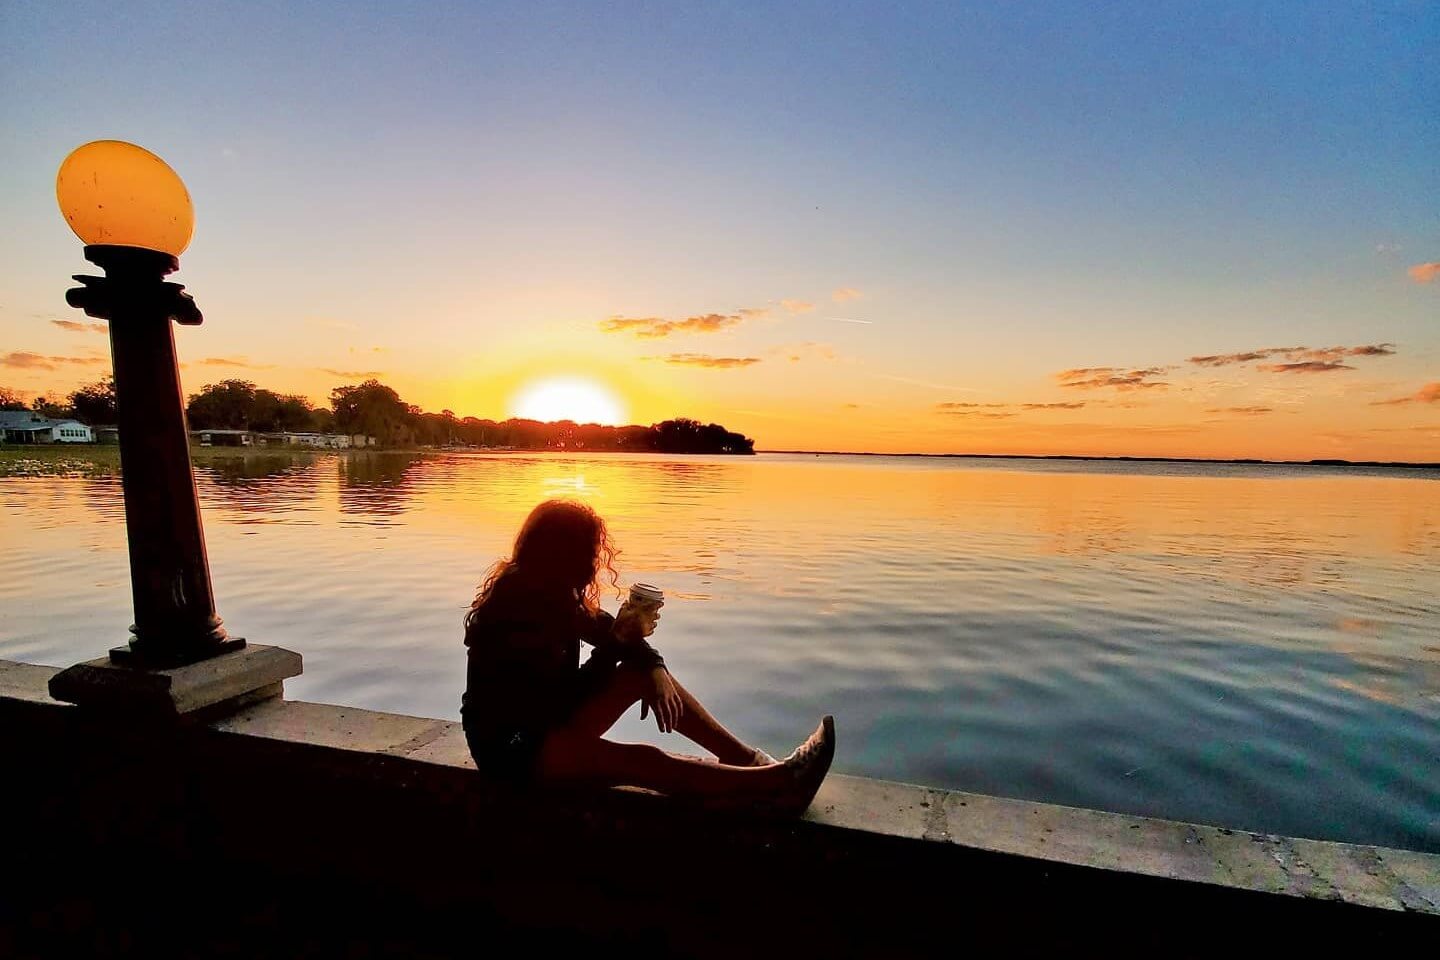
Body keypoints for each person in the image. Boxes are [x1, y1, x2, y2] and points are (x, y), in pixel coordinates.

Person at [462, 498, 835, 814]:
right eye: (590, 553)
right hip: (512, 748)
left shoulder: (560, 595)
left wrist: (654, 668)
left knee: (636, 675)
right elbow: (553, 704)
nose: (596, 563)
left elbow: (611, 634)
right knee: (644, 761)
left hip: (544, 727)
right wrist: (614, 648)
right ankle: (782, 785)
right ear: (564, 555)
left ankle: (747, 760)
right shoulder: (515, 611)